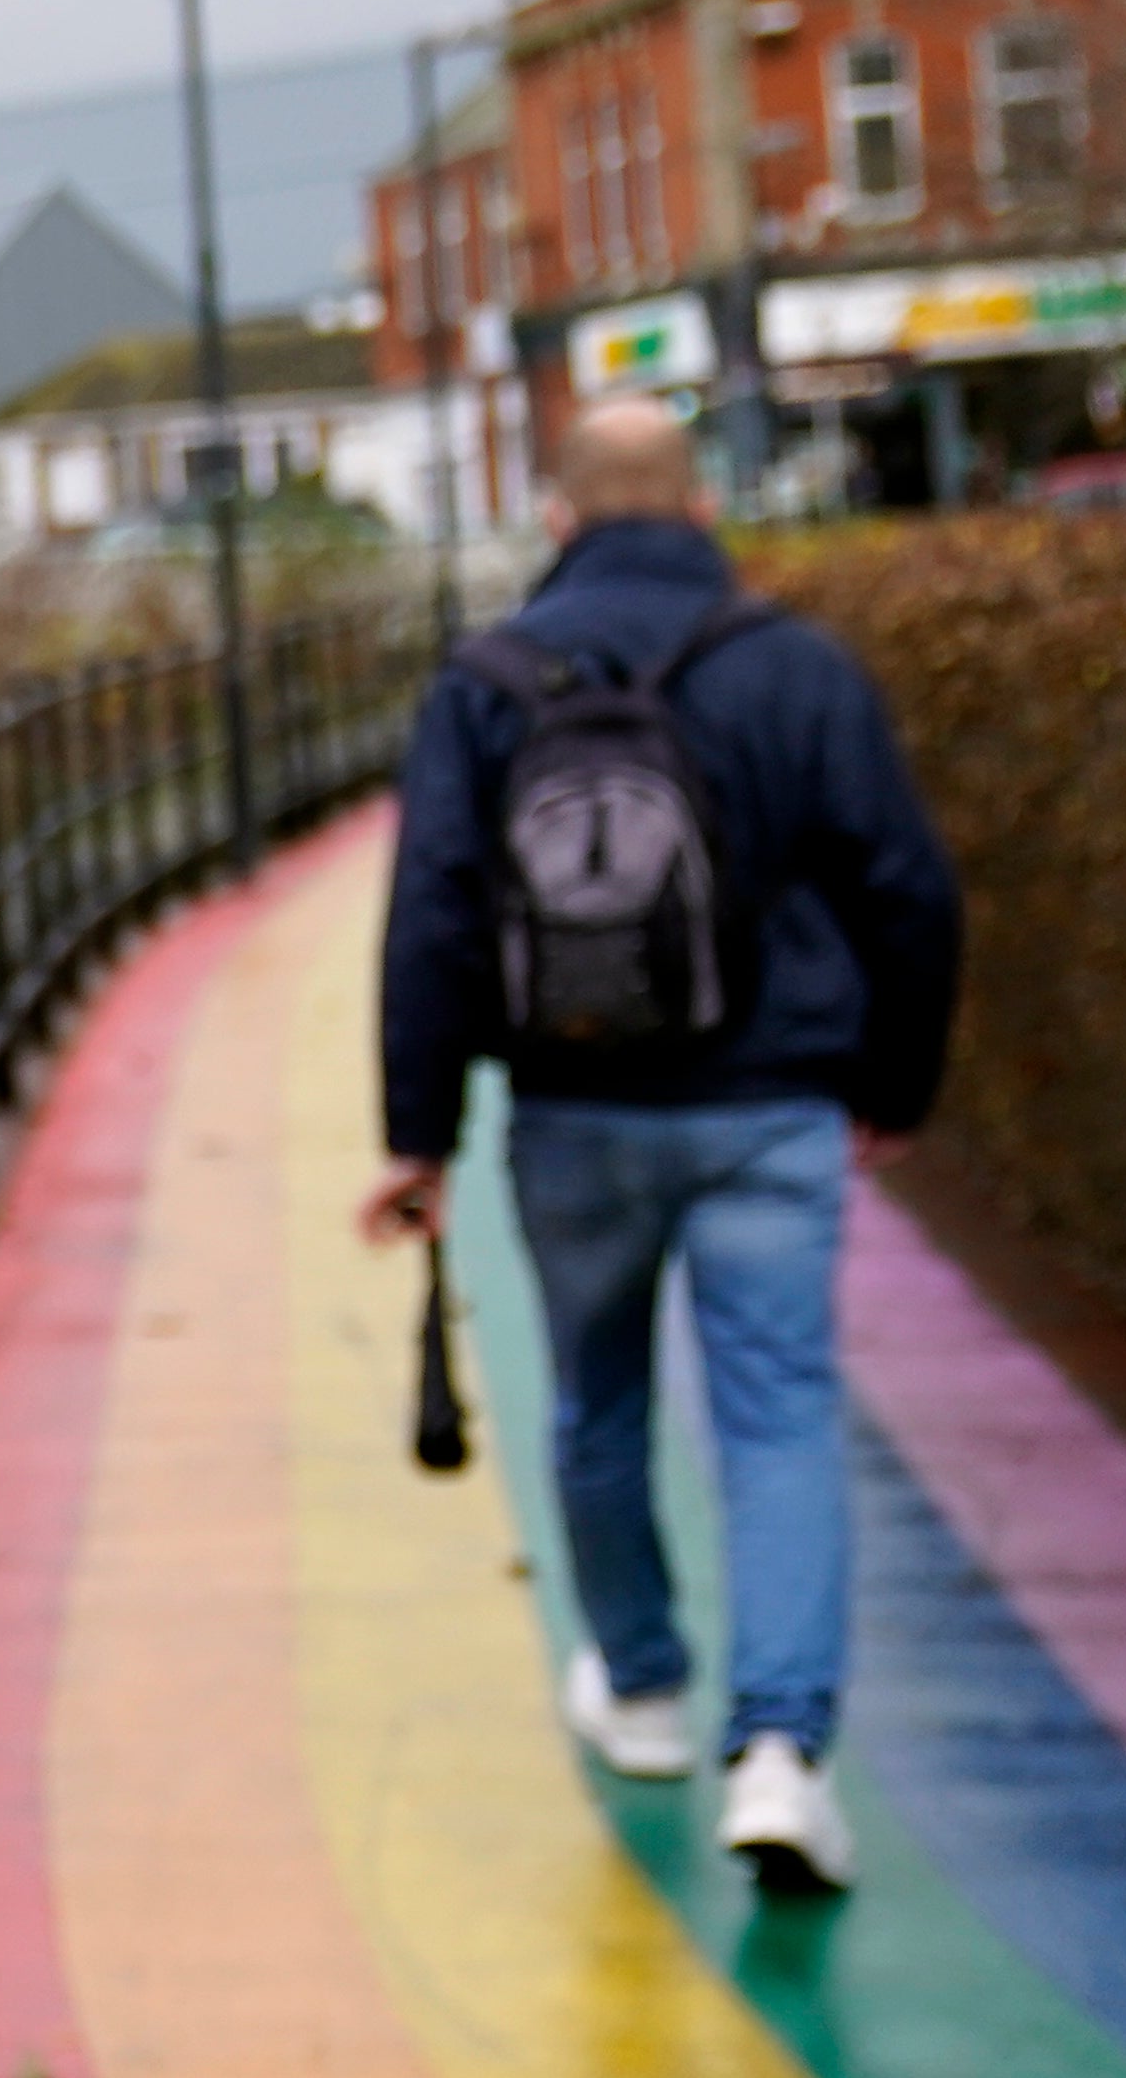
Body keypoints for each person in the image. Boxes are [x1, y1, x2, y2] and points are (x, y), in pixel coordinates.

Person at [363, 394, 963, 1895]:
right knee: (773, 1414)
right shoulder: (792, 668)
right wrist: (891, 1084)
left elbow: (433, 909)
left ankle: (636, 1684)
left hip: (572, 1114)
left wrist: (416, 1134)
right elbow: (909, 890)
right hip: (767, 1107)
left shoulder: (486, 685)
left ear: (554, 517)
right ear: (702, 509)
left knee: (595, 1404)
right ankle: (777, 1749)